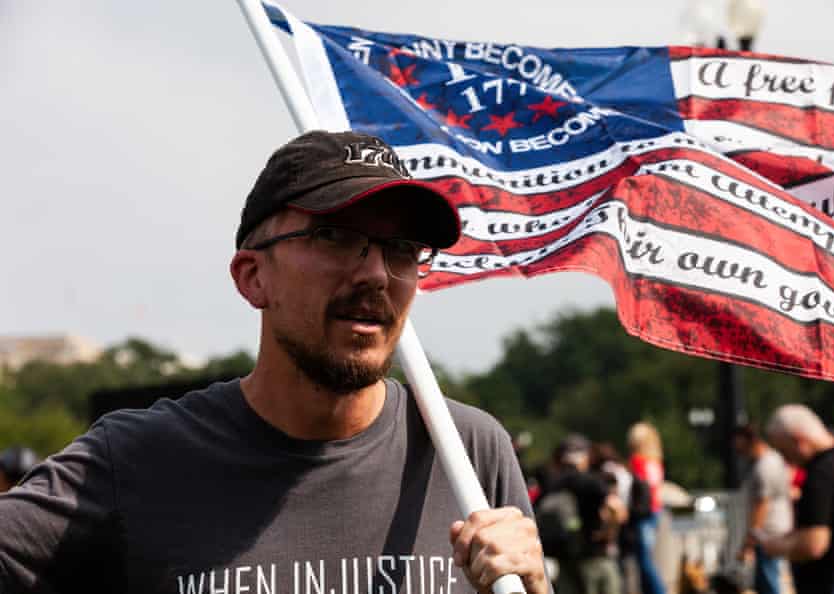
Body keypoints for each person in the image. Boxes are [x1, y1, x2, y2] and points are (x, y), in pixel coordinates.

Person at [0, 131, 548, 594]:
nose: (377, 273)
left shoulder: (466, 449)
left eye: (402, 248)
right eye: (335, 236)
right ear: (252, 277)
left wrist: (536, 587)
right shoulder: (134, 461)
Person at [759, 404, 834, 594]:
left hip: (832, 582)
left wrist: (775, 546)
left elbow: (813, 544)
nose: (784, 459)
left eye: (783, 450)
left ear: (799, 440)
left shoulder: (820, 473)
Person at [536, 435, 625, 594]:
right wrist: (609, 532)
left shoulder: (550, 484)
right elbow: (617, 508)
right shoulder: (590, 481)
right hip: (594, 556)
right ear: (584, 457)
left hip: (563, 558)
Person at [731, 424, 792, 594]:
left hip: (769, 533)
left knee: (769, 583)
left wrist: (749, 542)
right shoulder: (772, 460)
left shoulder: (764, 466)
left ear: (747, 440)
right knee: (767, 582)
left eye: (737, 442)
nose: (735, 447)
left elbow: (762, 505)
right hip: (774, 531)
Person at [626, 422, 666, 594]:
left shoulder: (637, 462)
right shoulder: (656, 462)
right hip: (656, 511)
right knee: (646, 557)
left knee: (644, 560)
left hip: (643, 514)